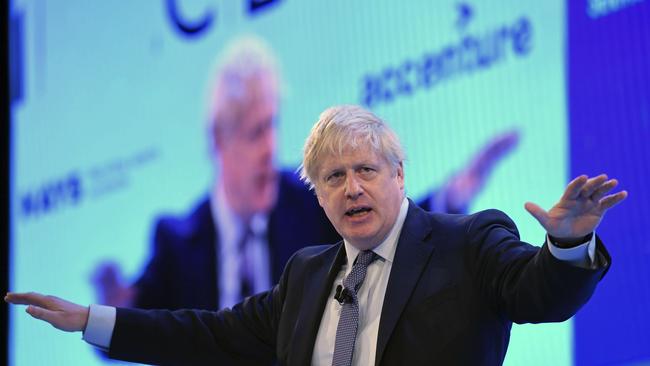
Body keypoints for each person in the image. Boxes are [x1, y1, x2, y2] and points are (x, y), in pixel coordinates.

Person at [6, 105, 626, 365]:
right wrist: (94, 320)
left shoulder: (468, 241)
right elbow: (209, 335)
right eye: (334, 177)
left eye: (365, 171)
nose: (351, 188)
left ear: (399, 175)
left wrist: (566, 245)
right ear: (318, 195)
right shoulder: (306, 274)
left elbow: (539, 298)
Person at [93, 35, 520, 311]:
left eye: (273, 125)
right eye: (254, 132)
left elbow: (383, 225)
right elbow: (139, 326)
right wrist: (111, 307)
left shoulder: (307, 199)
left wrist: (452, 196)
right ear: (219, 141)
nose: (271, 148)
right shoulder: (176, 244)